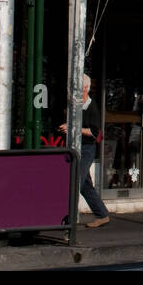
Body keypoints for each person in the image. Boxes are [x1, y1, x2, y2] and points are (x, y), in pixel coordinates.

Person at [59, 74, 110, 229]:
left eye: (78, 88)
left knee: (76, 181)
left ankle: (70, 219)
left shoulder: (92, 107)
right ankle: (102, 214)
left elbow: (94, 133)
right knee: (85, 184)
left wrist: (73, 128)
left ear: (86, 88)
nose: (75, 91)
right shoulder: (75, 104)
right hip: (75, 146)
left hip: (86, 148)